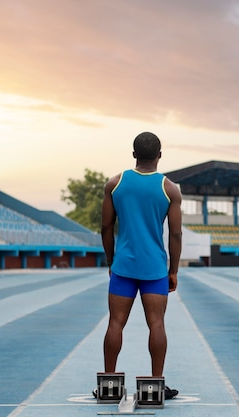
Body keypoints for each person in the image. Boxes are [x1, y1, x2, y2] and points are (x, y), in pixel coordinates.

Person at [98, 132, 183, 400]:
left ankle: (108, 385)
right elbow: (176, 234)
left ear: (133, 154)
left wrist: (111, 261)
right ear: (160, 155)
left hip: (123, 266)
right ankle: (156, 384)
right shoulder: (170, 189)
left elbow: (106, 227)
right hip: (155, 268)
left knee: (115, 323)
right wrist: (174, 271)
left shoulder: (115, 183)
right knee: (156, 324)